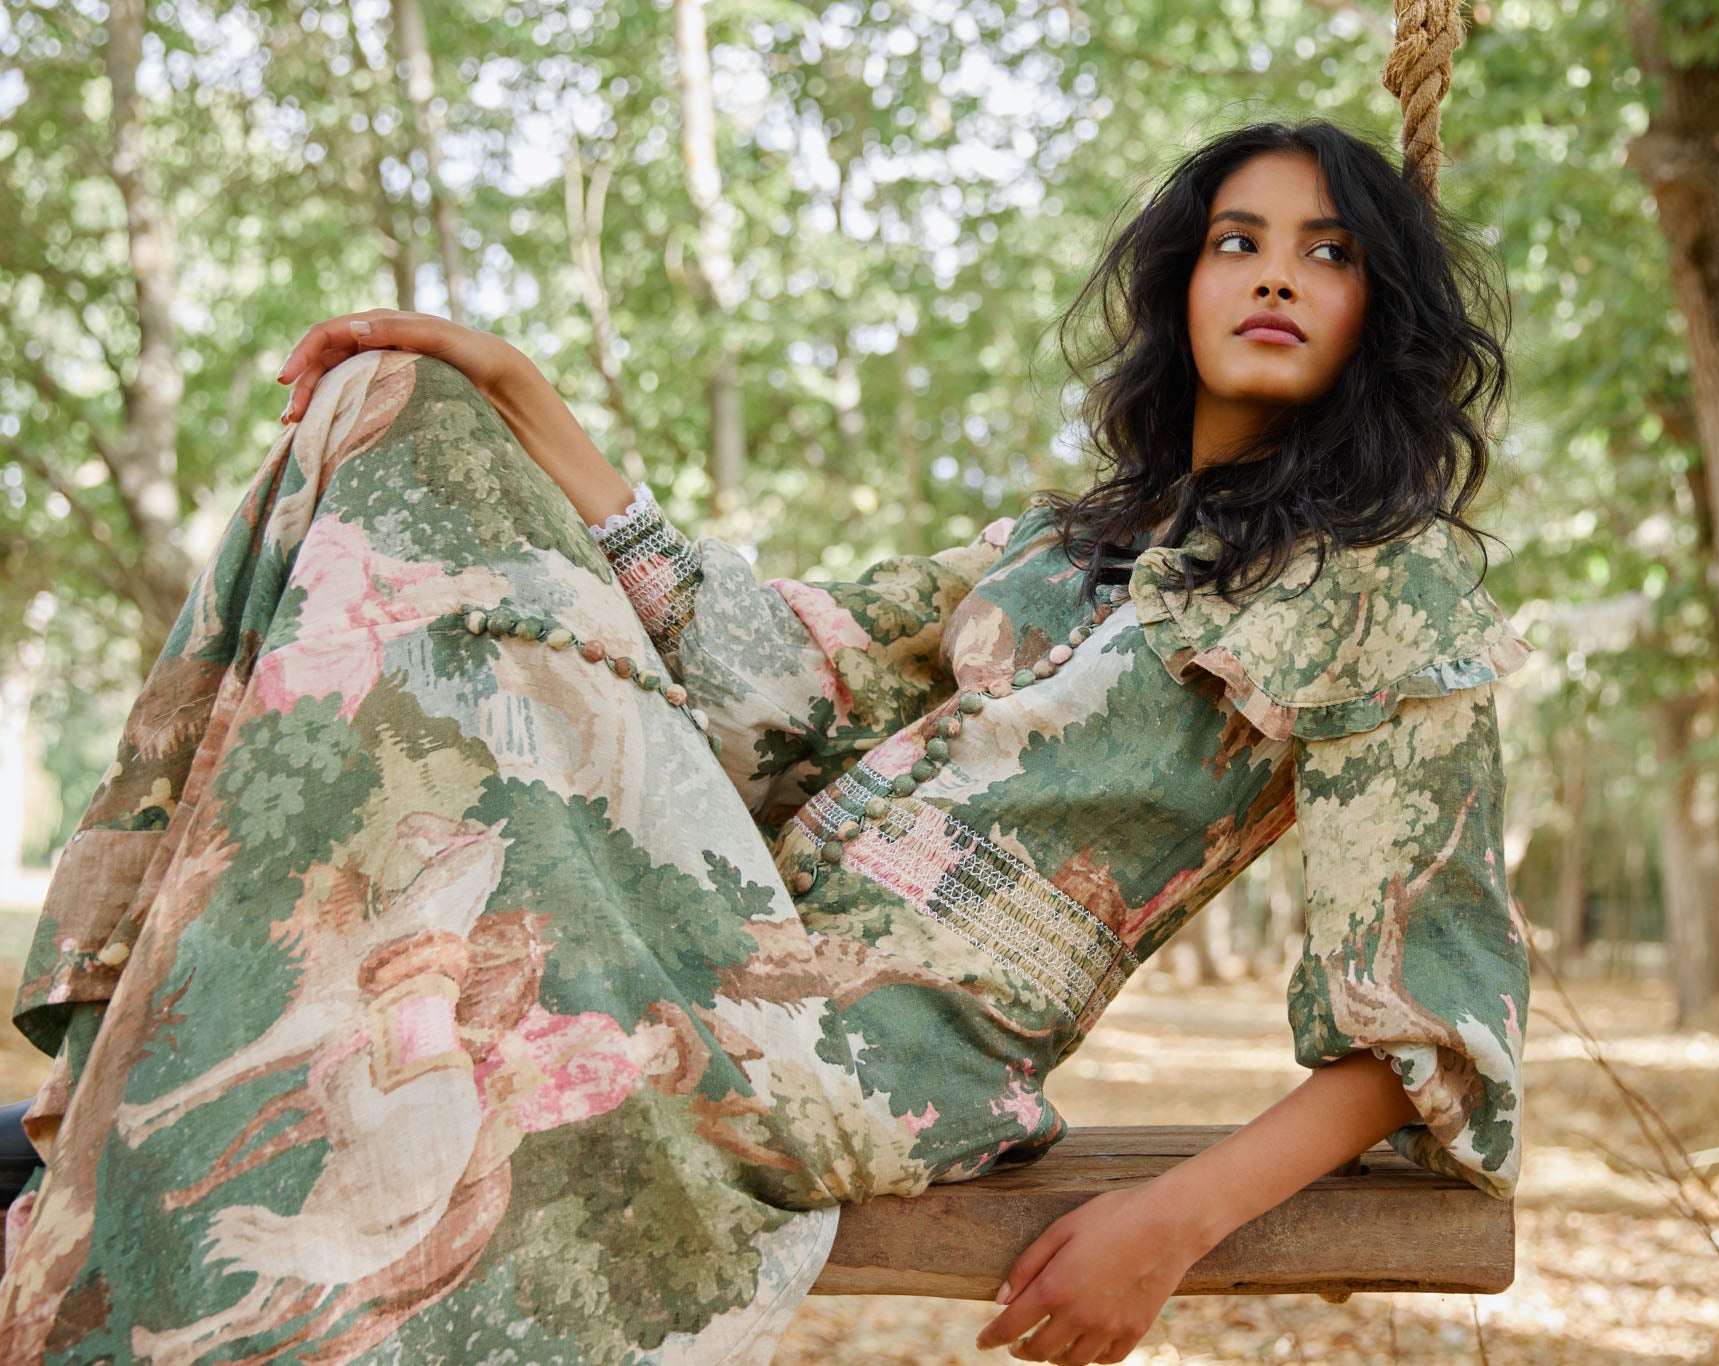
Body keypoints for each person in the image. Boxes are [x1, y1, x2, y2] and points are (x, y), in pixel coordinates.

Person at [0, 118, 1528, 1365]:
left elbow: (1425, 1027)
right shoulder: (1064, 548)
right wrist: (521, 389)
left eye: (1329, 252)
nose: (1275, 276)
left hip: (872, 1046)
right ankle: (121, 1079)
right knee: (400, 401)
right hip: (738, 923)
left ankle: (90, 1152)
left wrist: (1170, 1219)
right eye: (1236, 242)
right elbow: (784, 675)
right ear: (1180, 292)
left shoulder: (1393, 584)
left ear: (1379, 305)